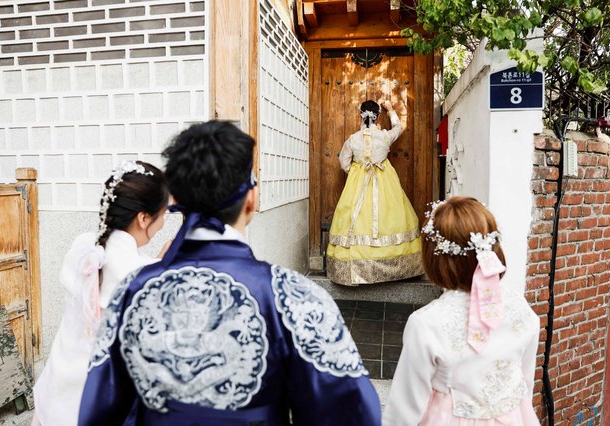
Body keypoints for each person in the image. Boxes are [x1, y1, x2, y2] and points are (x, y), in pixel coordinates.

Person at [78, 121, 380, 426]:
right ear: (251, 199)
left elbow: (98, 410)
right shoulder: (293, 297)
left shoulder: (132, 292)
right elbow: (353, 414)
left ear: (177, 201)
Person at [32, 161, 170, 426]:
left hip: (57, 394)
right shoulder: (143, 276)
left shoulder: (84, 248)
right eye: (163, 214)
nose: (164, 222)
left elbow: (118, 270)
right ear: (143, 218)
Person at [383, 196, 541, 426]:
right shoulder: (522, 310)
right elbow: (525, 382)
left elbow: (405, 408)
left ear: (435, 258)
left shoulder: (427, 323)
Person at [326, 99, 423, 285]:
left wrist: (356, 171)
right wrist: (391, 110)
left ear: (360, 116)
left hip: (358, 183)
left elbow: (344, 162)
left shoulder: (353, 139)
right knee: (390, 216)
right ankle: (395, 269)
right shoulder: (386, 137)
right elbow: (399, 126)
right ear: (378, 117)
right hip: (385, 182)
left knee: (354, 219)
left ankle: (354, 270)